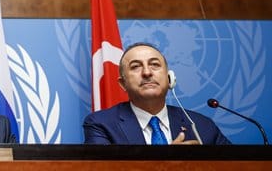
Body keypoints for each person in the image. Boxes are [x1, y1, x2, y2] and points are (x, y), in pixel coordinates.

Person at [83, 42, 231, 145]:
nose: (147, 72)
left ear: (169, 78)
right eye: (135, 67)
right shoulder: (101, 124)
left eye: (154, 65)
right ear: (123, 84)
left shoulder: (200, 125)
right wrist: (167, 163)